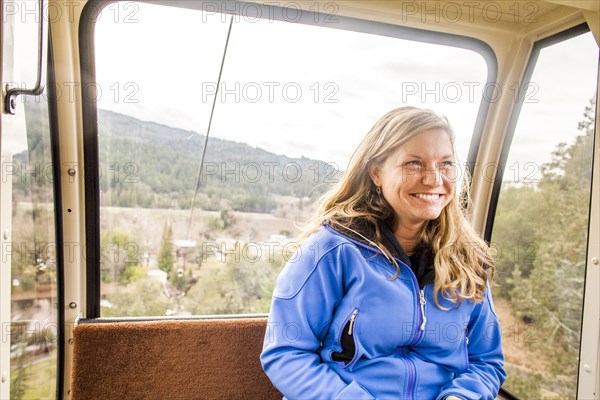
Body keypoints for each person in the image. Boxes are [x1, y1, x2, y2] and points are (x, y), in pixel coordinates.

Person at [260, 107, 506, 400]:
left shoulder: (467, 260)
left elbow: (486, 361)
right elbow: (286, 353)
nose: (433, 179)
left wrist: (461, 397)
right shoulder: (330, 252)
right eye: (414, 164)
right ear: (376, 172)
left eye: (446, 164)